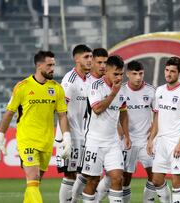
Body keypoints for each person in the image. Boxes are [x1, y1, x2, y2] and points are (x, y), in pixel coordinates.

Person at [0, 50, 72, 203]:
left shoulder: (57, 88)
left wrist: (67, 138)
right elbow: (8, 114)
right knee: (33, 178)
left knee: (35, 183)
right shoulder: (23, 87)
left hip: (46, 142)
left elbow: (62, 115)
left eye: (53, 64)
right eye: (49, 65)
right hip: (27, 140)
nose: (53, 68)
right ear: (39, 66)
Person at [81, 55, 131, 203]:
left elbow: (123, 113)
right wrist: (113, 93)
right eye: (116, 74)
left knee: (117, 178)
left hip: (113, 142)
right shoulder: (95, 86)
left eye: (121, 74)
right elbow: (97, 109)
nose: (119, 77)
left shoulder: (122, 90)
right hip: (94, 142)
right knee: (93, 180)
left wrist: (126, 135)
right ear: (106, 72)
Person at [146, 56, 180, 203]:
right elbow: (157, 117)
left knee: (176, 179)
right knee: (156, 180)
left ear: (179, 73)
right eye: (167, 70)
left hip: (176, 141)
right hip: (161, 141)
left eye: (172, 71)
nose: (168, 74)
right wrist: (151, 140)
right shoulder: (159, 91)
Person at [70, 47, 108, 203]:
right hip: (90, 135)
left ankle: (94, 200)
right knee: (89, 175)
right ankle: (72, 199)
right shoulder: (87, 82)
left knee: (114, 174)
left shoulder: (109, 80)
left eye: (105, 62)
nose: (102, 66)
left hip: (109, 135)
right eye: (99, 62)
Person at [55, 44, 92, 203]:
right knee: (70, 174)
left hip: (83, 134)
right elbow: (61, 111)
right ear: (76, 59)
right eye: (86, 57)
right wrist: (66, 137)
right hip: (69, 136)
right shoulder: (69, 81)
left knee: (83, 174)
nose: (90, 60)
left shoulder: (90, 79)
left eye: (91, 57)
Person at [118, 60, 157, 203]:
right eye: (134, 74)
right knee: (125, 178)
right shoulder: (120, 90)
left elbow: (158, 114)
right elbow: (114, 113)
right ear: (127, 74)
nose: (138, 77)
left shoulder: (151, 91)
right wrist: (119, 129)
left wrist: (154, 130)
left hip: (146, 141)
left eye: (140, 74)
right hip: (126, 140)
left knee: (155, 176)